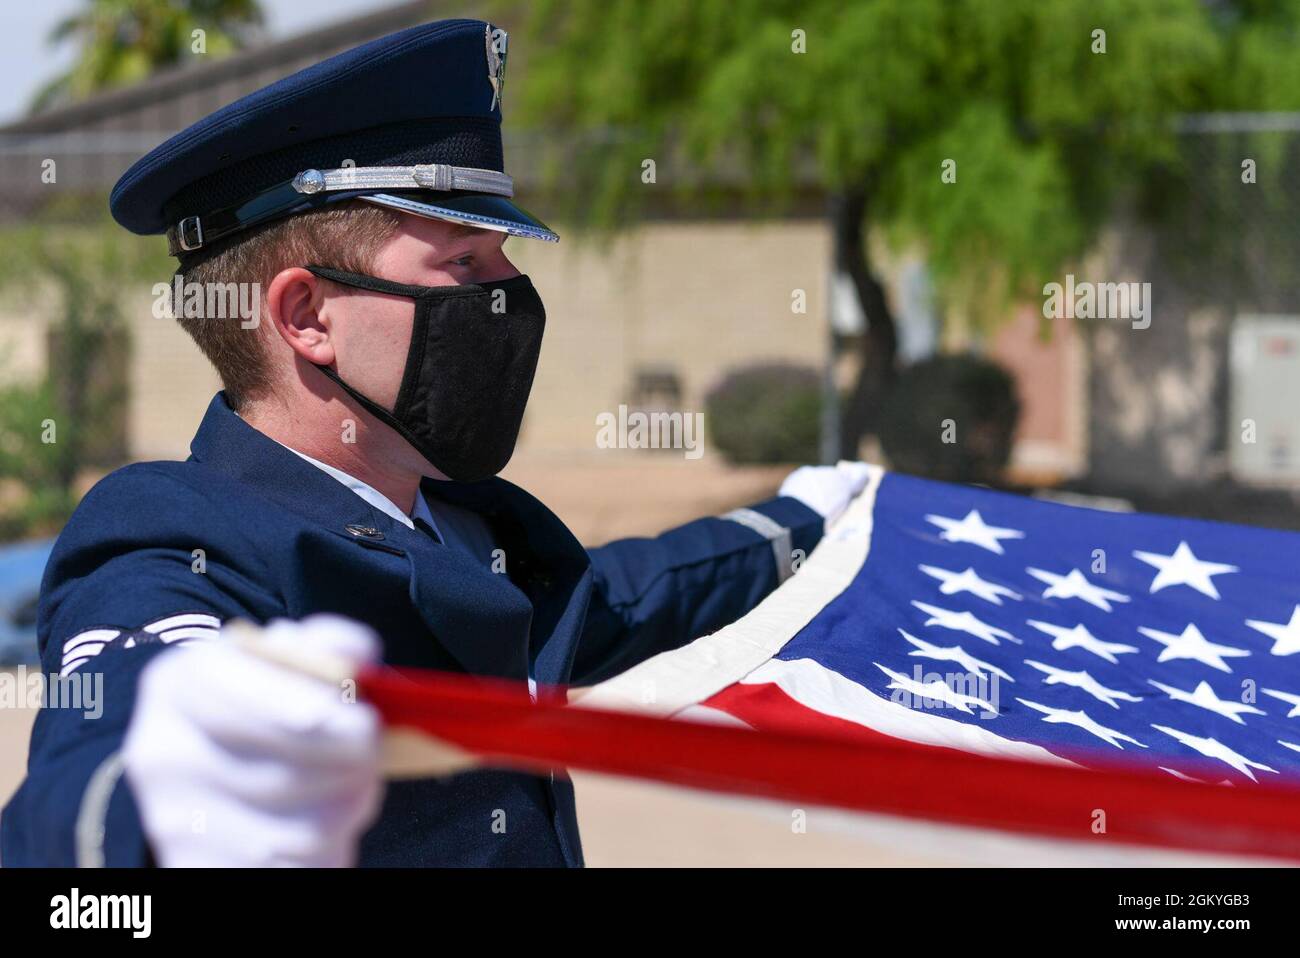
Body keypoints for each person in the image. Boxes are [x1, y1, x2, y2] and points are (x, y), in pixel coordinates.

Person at [0, 18, 869, 867]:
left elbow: (620, 598)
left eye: (503, 255)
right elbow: (102, 747)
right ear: (306, 317)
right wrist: (152, 807)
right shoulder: (175, 539)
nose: (511, 293)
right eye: (464, 264)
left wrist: (805, 526)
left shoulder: (453, 520)